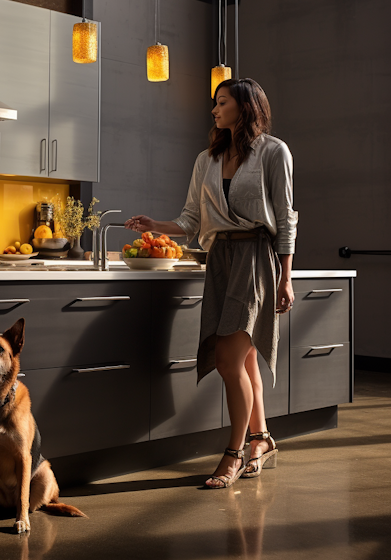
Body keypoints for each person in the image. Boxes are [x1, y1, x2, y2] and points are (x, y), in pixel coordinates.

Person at [125, 78, 298, 489]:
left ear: (245, 106)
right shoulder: (206, 158)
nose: (215, 110)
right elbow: (190, 220)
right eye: (215, 103)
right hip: (220, 259)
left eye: (222, 103)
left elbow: (286, 217)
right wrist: (156, 224)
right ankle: (262, 439)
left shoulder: (274, 152)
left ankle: (233, 453)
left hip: (256, 258)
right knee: (244, 360)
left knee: (226, 358)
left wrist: (286, 277)